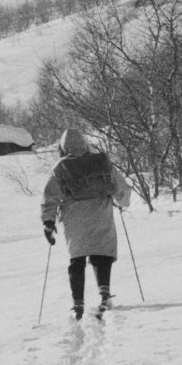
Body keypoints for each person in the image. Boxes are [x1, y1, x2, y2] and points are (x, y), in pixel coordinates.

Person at [41, 122, 125, 318]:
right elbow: (121, 188)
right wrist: (122, 201)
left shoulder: (61, 167)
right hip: (101, 213)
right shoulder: (101, 161)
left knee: (77, 259)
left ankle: (78, 303)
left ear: (63, 147)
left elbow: (50, 196)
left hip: (74, 218)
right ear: (85, 144)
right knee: (102, 254)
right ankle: (104, 295)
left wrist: (48, 222)